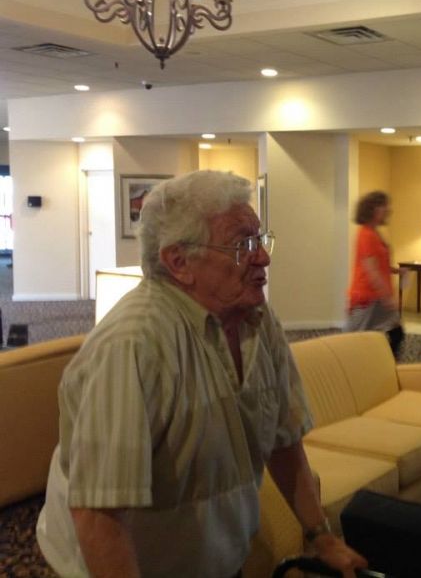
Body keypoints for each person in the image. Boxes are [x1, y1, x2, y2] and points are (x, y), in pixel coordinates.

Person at [36, 170, 366, 578]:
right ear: (179, 262)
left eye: (260, 240)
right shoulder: (131, 347)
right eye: (243, 245)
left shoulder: (259, 322)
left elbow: (283, 442)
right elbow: (98, 515)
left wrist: (321, 537)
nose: (263, 257)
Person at [345, 191, 406, 356]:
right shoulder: (365, 234)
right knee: (352, 340)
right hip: (367, 298)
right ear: (372, 209)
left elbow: (379, 265)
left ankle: (384, 364)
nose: (388, 209)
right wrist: (387, 298)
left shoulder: (374, 233)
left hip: (378, 297)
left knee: (396, 333)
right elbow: (371, 270)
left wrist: (396, 270)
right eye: (383, 206)